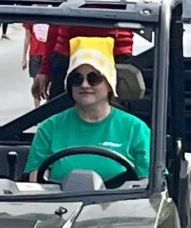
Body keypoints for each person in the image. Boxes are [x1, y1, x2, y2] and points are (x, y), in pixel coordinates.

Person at [24, 41, 153, 186]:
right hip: (61, 206)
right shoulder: (49, 128)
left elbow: (149, 184)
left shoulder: (136, 129)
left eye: (94, 78)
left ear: (109, 84)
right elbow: (35, 184)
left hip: (120, 206)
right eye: (77, 79)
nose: (85, 85)